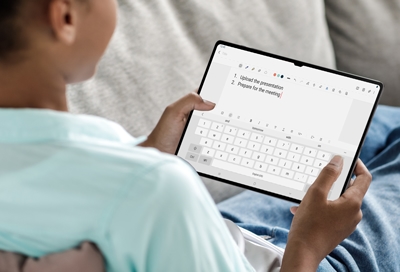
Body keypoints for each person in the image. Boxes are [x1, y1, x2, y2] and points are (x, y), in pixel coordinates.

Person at [1, 0, 393, 271]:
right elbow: (133, 200)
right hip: (293, 260)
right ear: (64, 16)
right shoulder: (156, 187)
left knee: (377, 126)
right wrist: (309, 244)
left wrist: (149, 151)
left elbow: (85, 207)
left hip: (221, 233)